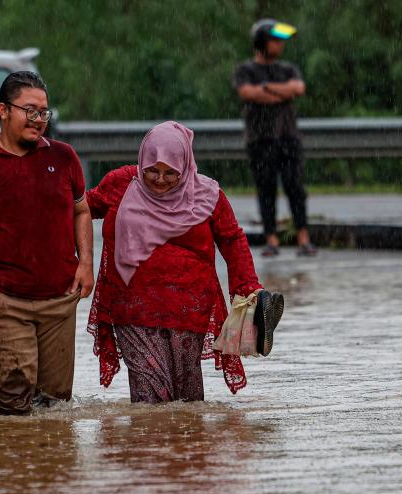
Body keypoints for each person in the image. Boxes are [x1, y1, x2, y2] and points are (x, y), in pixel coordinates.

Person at [86, 121, 282, 403]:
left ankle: (187, 447)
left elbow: (232, 239)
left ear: (186, 166)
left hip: (188, 310)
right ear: (141, 163)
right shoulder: (121, 183)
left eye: (170, 173)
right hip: (132, 309)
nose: (160, 179)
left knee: (186, 399)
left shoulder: (207, 194)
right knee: (149, 398)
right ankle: (145, 448)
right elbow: (78, 207)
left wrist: (248, 287)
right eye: (152, 171)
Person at [0, 71, 94, 415]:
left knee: (55, 406)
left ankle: (47, 466)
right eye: (30, 111)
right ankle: (9, 467)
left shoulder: (63, 158)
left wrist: (86, 263)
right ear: (4, 110)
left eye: (43, 112)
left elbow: (82, 211)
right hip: (4, 300)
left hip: (60, 298)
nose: (39, 120)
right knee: (9, 402)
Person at [234, 19, 316, 257]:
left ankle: (304, 238)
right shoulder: (245, 70)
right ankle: (272, 240)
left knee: (295, 188)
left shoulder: (288, 68)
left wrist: (267, 88)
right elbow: (248, 93)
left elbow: (298, 89)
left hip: (288, 137)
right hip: (260, 139)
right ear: (261, 42)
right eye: (275, 40)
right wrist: (282, 91)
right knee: (266, 189)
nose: (280, 45)